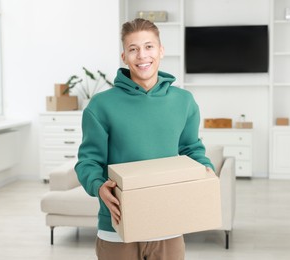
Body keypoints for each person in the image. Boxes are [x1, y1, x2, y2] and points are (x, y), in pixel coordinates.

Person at [75, 18, 214, 260]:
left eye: (149, 47)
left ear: (161, 50)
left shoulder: (184, 101)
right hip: (117, 228)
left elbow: (191, 148)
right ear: (124, 56)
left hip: (169, 224)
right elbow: (87, 162)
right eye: (133, 49)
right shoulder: (100, 106)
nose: (142, 56)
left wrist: (206, 171)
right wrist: (98, 186)